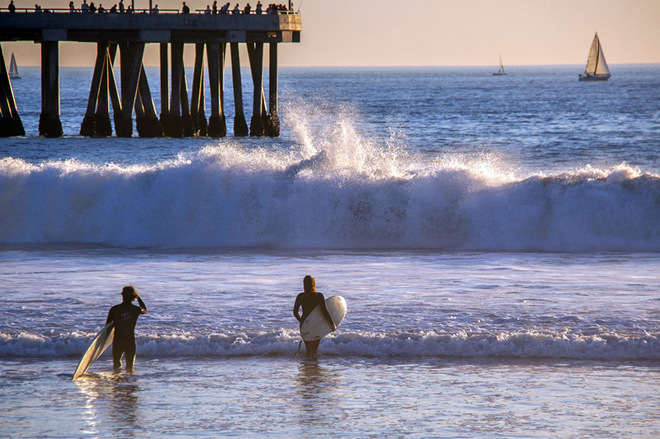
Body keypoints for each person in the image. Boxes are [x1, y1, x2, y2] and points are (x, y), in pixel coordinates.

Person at [293, 275, 335, 359]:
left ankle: (308, 367)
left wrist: (302, 322)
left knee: (308, 349)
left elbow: (295, 312)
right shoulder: (319, 296)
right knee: (315, 349)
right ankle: (313, 368)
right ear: (313, 284)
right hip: (316, 325)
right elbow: (324, 312)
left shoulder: (300, 296)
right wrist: (332, 323)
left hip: (305, 325)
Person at [106, 286, 147, 372]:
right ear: (133, 297)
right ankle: (130, 383)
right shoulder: (136, 310)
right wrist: (138, 297)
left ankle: (117, 382)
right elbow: (144, 310)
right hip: (130, 340)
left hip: (118, 340)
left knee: (116, 365)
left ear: (122, 295)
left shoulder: (115, 309)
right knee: (130, 367)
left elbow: (107, 326)